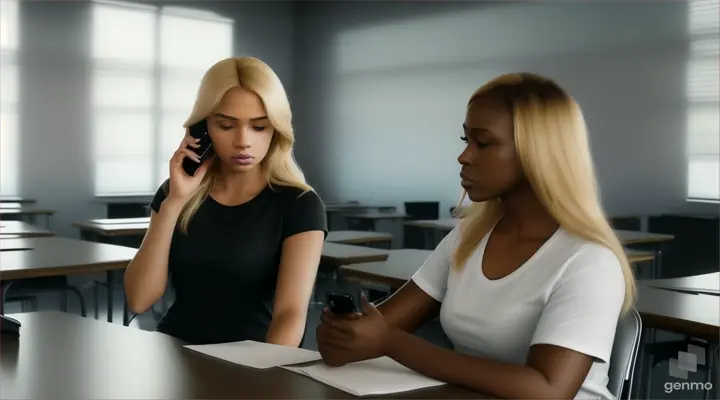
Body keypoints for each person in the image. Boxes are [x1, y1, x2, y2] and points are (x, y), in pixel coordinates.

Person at [316, 73, 636, 399]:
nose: (464, 156)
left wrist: (390, 342)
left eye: (483, 143)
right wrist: (347, 335)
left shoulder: (589, 260)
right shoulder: (468, 236)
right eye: (465, 141)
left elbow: (548, 391)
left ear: (537, 154)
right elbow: (381, 325)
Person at [124, 57, 327, 346]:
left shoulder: (300, 204)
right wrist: (174, 203)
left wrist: (261, 377)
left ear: (276, 130)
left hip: (252, 362)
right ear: (202, 128)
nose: (243, 141)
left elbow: (290, 314)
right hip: (173, 354)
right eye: (226, 125)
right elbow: (139, 299)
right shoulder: (175, 193)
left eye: (259, 127)